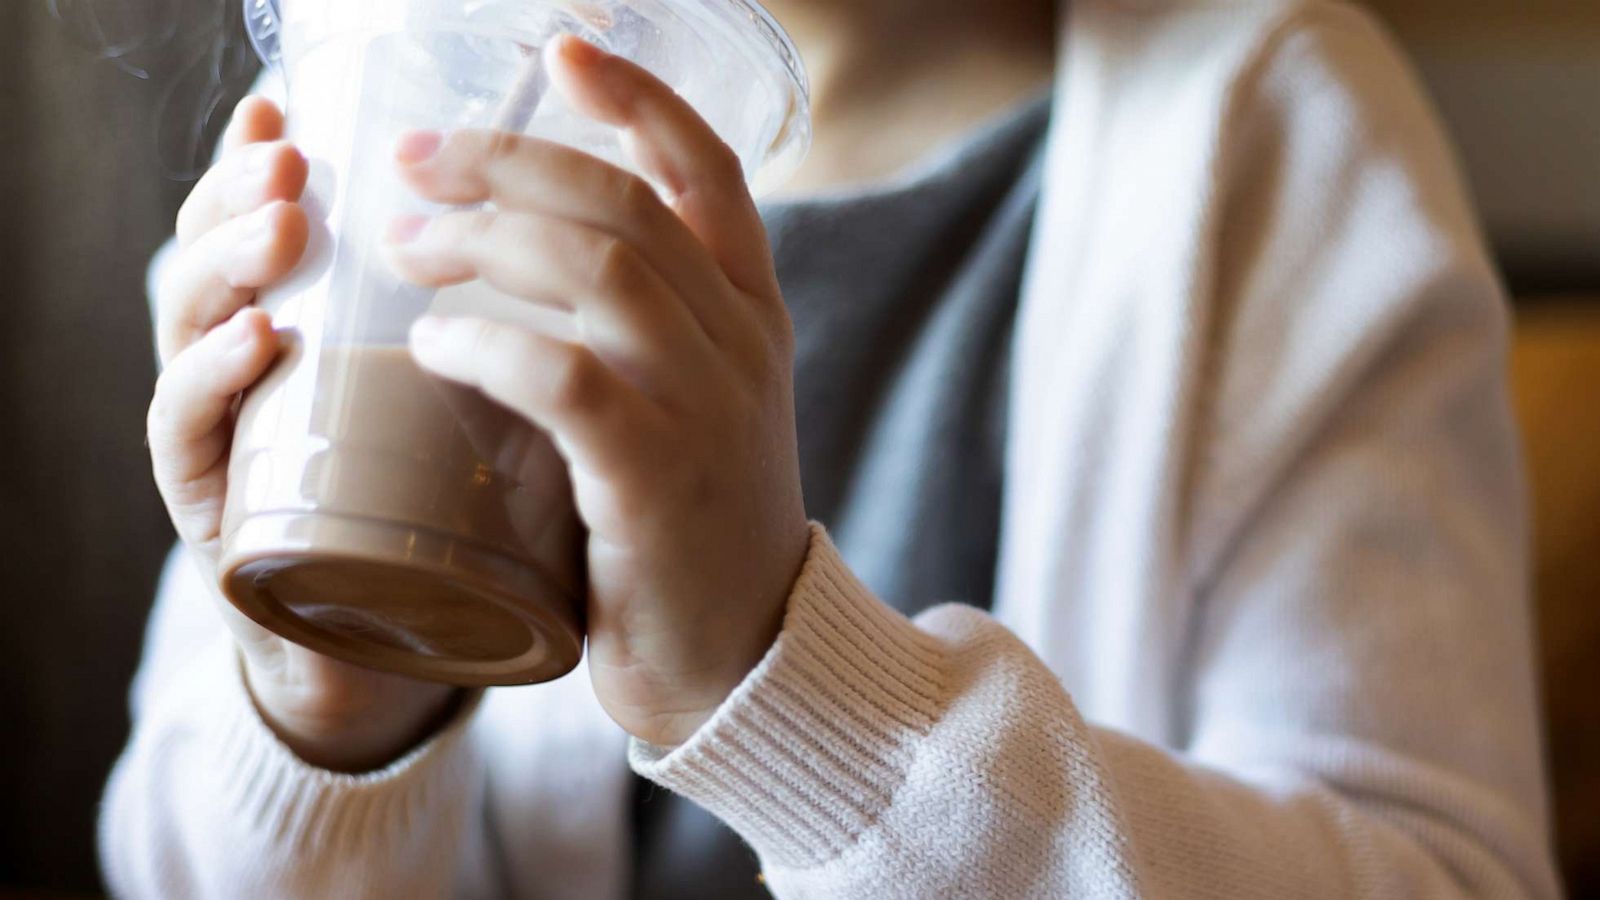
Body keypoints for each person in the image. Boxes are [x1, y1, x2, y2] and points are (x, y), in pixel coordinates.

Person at [101, 0, 1564, 896]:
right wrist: (327, 707)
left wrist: (790, 691)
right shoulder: (416, 84)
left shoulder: (1269, 137)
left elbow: (1439, 878)